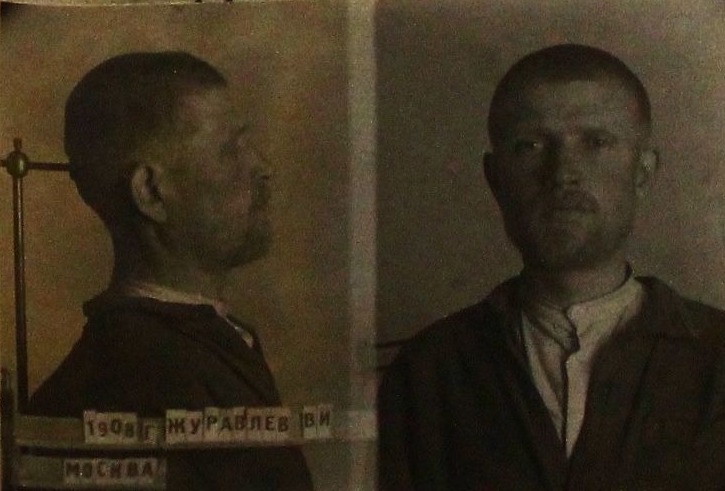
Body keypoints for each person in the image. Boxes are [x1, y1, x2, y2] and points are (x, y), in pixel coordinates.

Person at [378, 44, 725, 490]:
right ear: (495, 178)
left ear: (643, 171)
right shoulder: (428, 373)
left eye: (596, 142)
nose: (563, 172)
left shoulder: (717, 360)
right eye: (531, 146)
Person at [28, 51, 314, 491]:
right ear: (151, 192)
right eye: (230, 151)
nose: (263, 168)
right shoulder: (126, 379)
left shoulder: (202, 342)